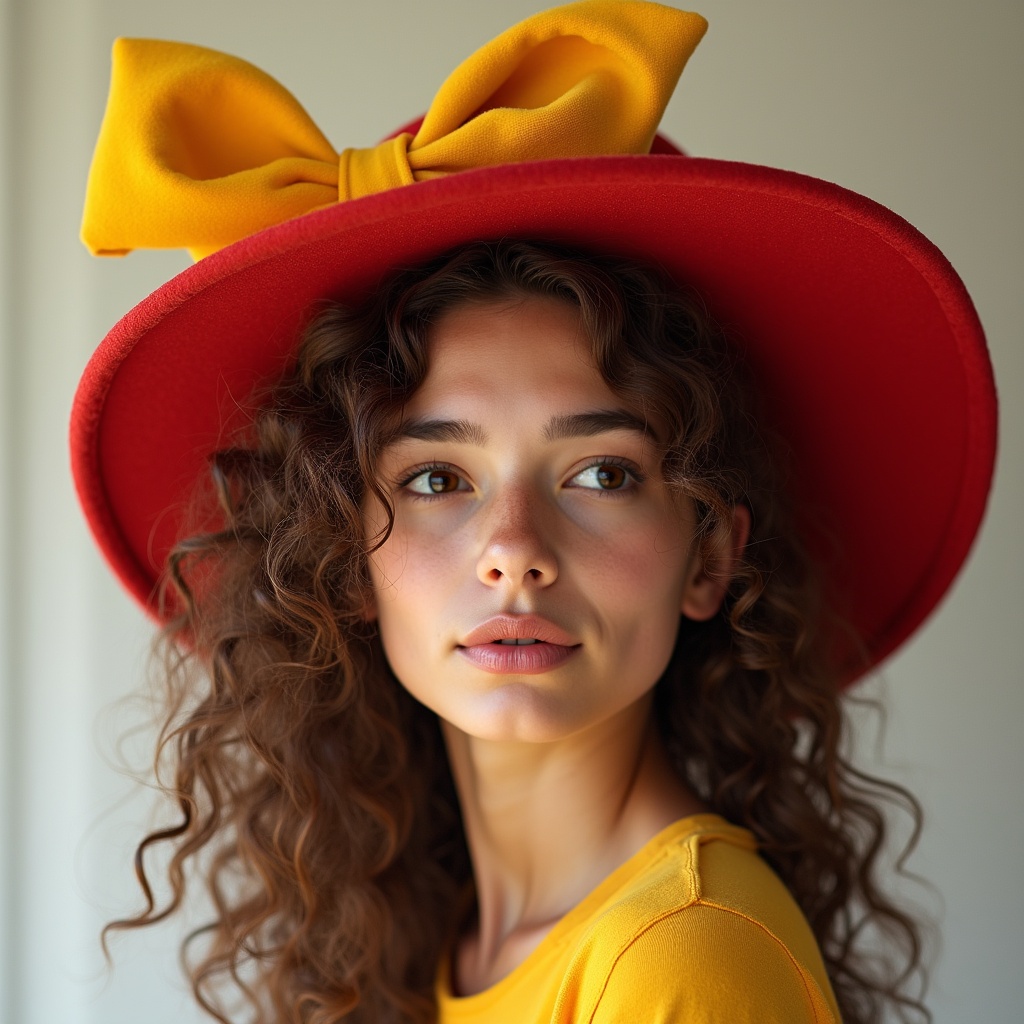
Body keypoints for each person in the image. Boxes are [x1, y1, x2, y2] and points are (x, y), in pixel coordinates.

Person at [71, 3, 996, 1023]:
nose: (514, 553)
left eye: (600, 473)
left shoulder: (678, 963)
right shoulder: (444, 943)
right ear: (343, 560)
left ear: (709, 556)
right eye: (436, 479)